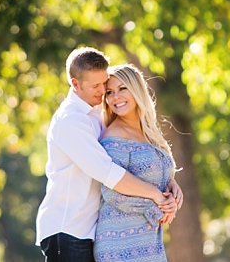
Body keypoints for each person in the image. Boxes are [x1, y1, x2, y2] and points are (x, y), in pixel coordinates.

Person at [36, 48, 182, 262]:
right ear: (75, 85)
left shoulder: (96, 113)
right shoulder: (71, 120)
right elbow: (108, 173)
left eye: (104, 84)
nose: (103, 91)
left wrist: (169, 184)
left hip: (91, 229)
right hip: (68, 229)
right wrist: (158, 198)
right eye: (96, 86)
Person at [93, 64, 176, 262]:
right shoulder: (114, 137)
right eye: (110, 92)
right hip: (119, 246)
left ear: (137, 89)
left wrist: (172, 187)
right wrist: (158, 208)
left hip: (149, 242)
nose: (115, 97)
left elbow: (153, 174)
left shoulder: (149, 132)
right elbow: (110, 192)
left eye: (122, 89)